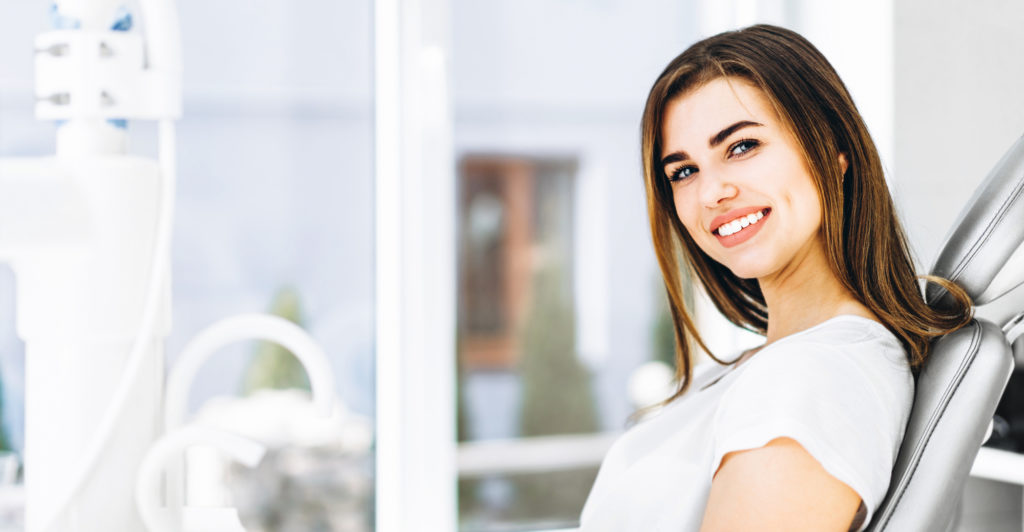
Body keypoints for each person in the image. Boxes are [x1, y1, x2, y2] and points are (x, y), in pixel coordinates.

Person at [579, 24, 972, 531]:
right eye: (683, 171)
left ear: (832, 146)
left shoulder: (814, 377)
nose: (710, 193)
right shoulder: (779, 363)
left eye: (741, 147)